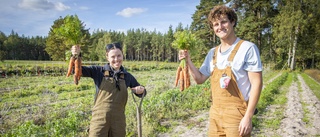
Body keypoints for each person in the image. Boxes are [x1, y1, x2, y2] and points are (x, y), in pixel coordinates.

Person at [179, 5, 263, 137]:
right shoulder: (213, 53)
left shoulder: (247, 48)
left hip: (237, 114)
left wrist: (248, 116)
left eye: (224, 22)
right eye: (216, 24)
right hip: (215, 113)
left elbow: (257, 83)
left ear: (232, 22)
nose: (220, 27)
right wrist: (188, 60)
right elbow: (200, 79)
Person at [70, 42, 146, 137]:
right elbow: (76, 70)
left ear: (123, 55)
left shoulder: (127, 76)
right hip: (99, 121)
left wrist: (141, 90)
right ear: (107, 57)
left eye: (119, 56)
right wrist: (76, 55)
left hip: (118, 122)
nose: (116, 59)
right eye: (113, 57)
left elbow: (142, 92)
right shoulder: (98, 71)